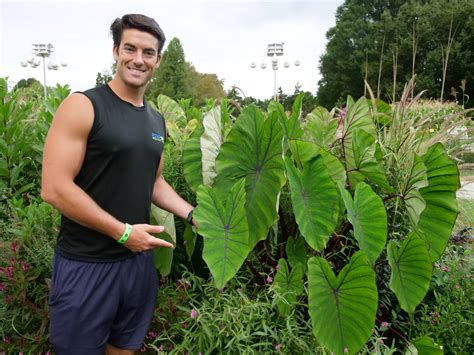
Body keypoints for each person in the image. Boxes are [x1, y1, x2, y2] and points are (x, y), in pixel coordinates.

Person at [41, 14, 195, 355]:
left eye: (148, 52)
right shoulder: (84, 106)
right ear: (115, 51)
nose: (138, 59)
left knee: (124, 348)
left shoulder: (156, 120)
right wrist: (123, 233)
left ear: (158, 60)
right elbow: (53, 187)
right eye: (130, 48)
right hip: (87, 264)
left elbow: (153, 182)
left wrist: (194, 214)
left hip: (136, 265)